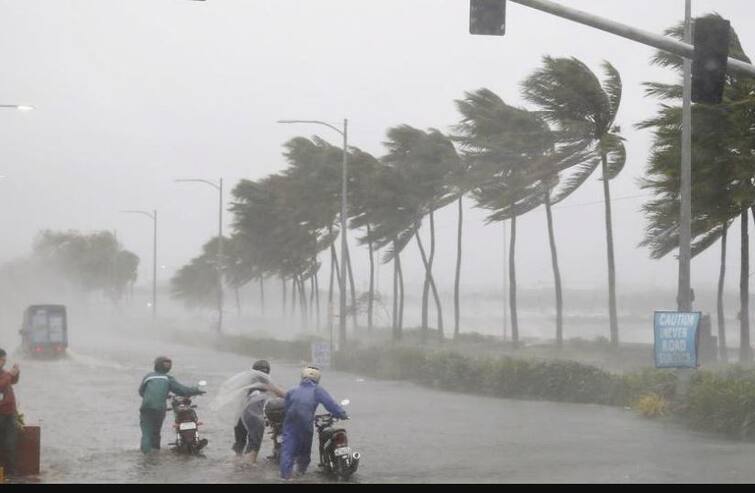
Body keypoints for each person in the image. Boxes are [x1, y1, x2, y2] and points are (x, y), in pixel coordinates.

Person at [279, 366, 347, 480]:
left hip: (290, 424)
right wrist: (343, 414)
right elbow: (330, 404)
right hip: (305, 424)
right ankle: (300, 474)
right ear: (317, 378)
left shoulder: (291, 390)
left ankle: (286, 478)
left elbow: (286, 408)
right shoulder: (317, 390)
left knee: (287, 451)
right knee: (304, 452)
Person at [138, 356, 204, 454]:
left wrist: (158, 396)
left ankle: (145, 456)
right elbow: (182, 390)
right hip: (159, 408)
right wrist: (196, 390)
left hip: (146, 408)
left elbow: (141, 392)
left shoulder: (148, 376)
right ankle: (155, 455)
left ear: (156, 365)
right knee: (156, 432)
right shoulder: (167, 378)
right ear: (168, 368)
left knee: (146, 433)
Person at [232, 359, 286, 464]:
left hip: (239, 417)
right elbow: (283, 394)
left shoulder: (246, 381)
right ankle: (248, 475)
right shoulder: (264, 382)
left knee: (238, 450)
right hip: (254, 418)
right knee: (252, 451)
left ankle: (235, 470)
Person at [0, 349, 20, 476]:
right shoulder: (4, 374)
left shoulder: (3, 372)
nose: (4, 362)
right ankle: (2, 472)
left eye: (5, 360)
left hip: (10, 412)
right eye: (2, 359)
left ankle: (11, 472)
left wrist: (16, 373)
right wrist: (9, 375)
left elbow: (12, 381)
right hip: (1, 413)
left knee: (11, 442)